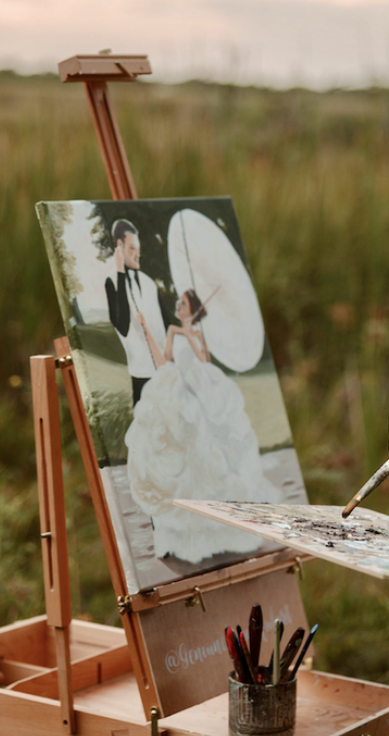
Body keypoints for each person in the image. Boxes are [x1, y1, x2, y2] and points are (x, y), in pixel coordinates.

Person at [124, 289, 283, 564]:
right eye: (179, 302)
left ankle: (221, 523)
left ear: (193, 310)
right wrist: (152, 330)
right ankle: (186, 528)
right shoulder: (173, 331)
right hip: (178, 395)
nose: (178, 305)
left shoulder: (197, 334)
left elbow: (204, 360)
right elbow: (165, 361)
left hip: (199, 396)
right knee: (183, 457)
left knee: (209, 455)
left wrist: (190, 335)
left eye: (183, 303)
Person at [104, 219, 168, 406]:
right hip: (139, 372)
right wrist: (120, 272)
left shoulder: (149, 283)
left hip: (162, 369)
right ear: (119, 246)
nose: (137, 254)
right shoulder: (112, 282)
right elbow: (122, 325)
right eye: (132, 248)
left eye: (138, 249)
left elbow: (163, 326)